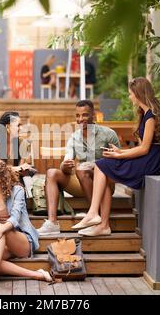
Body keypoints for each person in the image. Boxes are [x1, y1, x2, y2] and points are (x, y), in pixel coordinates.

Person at [74, 77, 160, 236]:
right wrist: (118, 153)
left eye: (131, 94)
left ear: (139, 94)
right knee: (104, 168)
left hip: (150, 163)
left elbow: (145, 149)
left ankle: (94, 214)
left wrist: (119, 156)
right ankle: (102, 224)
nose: (129, 97)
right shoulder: (145, 114)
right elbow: (142, 148)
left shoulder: (151, 116)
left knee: (101, 165)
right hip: (147, 159)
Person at [37, 100, 121, 236]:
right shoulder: (74, 138)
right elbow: (66, 166)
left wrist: (97, 165)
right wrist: (65, 165)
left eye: (85, 115)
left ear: (93, 114)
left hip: (104, 184)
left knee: (84, 169)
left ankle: (96, 217)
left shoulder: (108, 134)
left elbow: (119, 164)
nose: (81, 119)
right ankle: (52, 223)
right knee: (52, 173)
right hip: (82, 183)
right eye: (78, 116)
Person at [0, 159, 52, 290]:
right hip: (3, 243)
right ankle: (36, 274)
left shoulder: (17, 191)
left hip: (23, 241)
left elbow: (14, 219)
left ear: (1, 177)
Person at [0, 111, 36, 237]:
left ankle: (14, 222)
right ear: (7, 127)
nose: (21, 128)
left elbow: (21, 170)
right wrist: (17, 168)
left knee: (17, 186)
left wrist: (22, 169)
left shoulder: (23, 143)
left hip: (15, 181)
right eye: (18, 125)